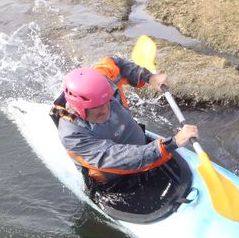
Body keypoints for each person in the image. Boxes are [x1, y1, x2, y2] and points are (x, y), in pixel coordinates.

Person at [51, 55, 198, 194]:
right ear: (78, 108)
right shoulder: (72, 135)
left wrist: (149, 77)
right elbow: (117, 157)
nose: (106, 110)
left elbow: (116, 63)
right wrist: (171, 144)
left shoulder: (102, 82)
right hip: (115, 183)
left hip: (148, 151)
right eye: (96, 107)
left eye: (107, 101)